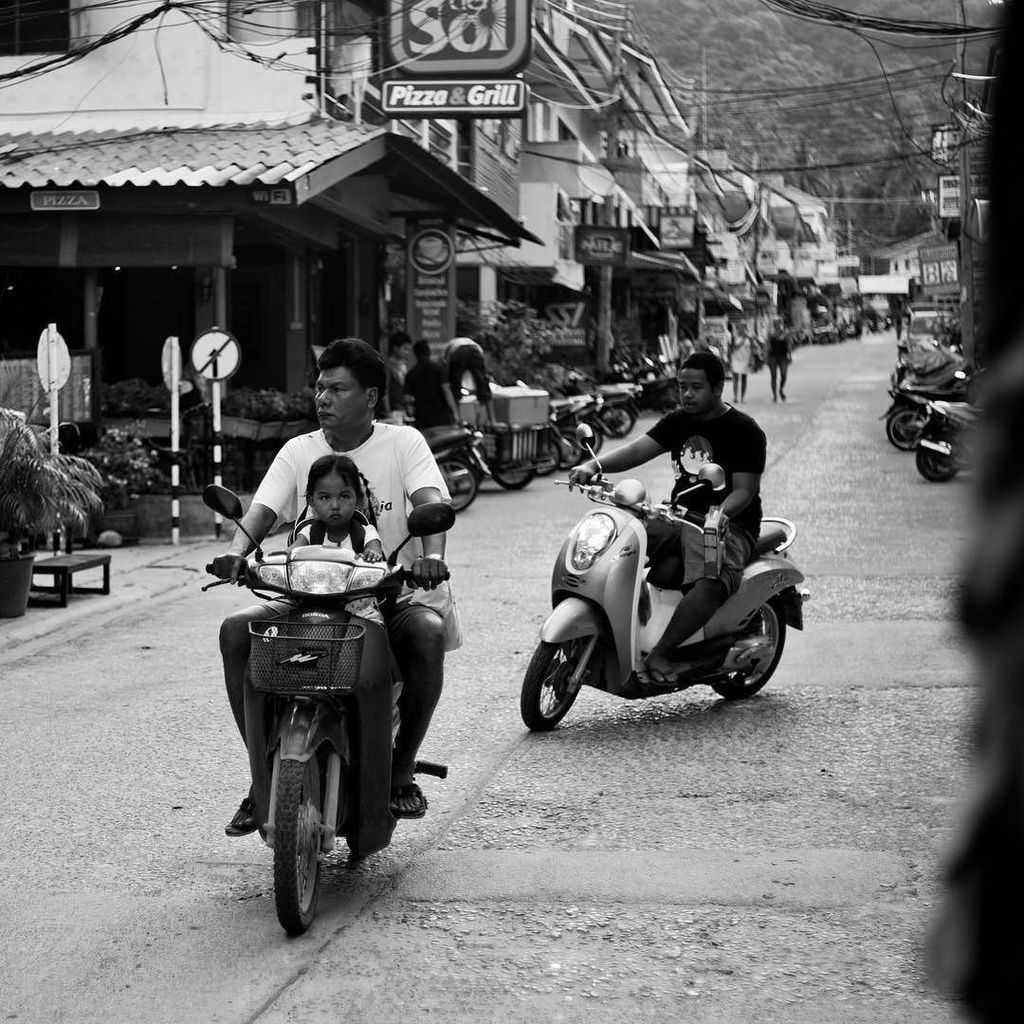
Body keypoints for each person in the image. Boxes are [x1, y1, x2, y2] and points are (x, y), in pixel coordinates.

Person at [210, 338, 453, 831]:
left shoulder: (404, 443)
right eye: (320, 388)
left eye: (337, 389)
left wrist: (431, 559)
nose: (323, 398)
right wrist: (237, 554)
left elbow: (429, 501)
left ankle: (400, 772)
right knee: (235, 631)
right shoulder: (298, 450)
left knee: (428, 632)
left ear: (370, 397)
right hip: (304, 597)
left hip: (386, 596)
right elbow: (262, 510)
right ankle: (262, 780)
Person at [569, 351, 766, 686]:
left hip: (730, 525)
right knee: (621, 539)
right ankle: (621, 623)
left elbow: (745, 490)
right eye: (682, 387)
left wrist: (720, 514)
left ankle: (662, 651)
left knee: (712, 580)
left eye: (696, 387)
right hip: (679, 515)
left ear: (718, 388)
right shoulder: (678, 421)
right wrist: (594, 465)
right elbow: (637, 450)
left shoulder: (745, 430)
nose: (687, 394)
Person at [290, 453, 386, 623]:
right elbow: (292, 553)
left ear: (358, 499)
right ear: (312, 501)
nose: (335, 506)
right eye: (325, 497)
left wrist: (372, 556)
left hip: (359, 610)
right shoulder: (309, 533)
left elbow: (374, 550)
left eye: (344, 496)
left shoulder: (366, 533)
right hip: (314, 607)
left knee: (371, 628)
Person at [404, 340, 455, 429]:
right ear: (428, 352)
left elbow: (407, 398)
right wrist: (455, 412)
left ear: (415, 354)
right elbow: (446, 391)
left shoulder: (411, 373)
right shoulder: (439, 369)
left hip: (421, 419)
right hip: (441, 417)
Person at [443, 336, 493, 424]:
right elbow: (481, 369)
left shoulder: (448, 350)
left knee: (455, 388)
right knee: (483, 386)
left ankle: (457, 418)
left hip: (458, 352)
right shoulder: (476, 346)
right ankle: (491, 420)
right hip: (475, 351)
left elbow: (447, 367)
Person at [385, 332, 413, 422]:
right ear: (395, 348)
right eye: (405, 349)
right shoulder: (388, 366)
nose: (407, 352)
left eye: (408, 349)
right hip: (394, 412)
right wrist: (388, 412)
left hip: (405, 410)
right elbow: (385, 391)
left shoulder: (404, 364)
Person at [765, 319, 793, 402]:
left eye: (778, 323)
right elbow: (767, 345)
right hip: (772, 356)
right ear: (774, 324)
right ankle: (774, 395)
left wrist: (790, 355)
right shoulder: (771, 333)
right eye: (775, 323)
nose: (777, 325)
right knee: (773, 376)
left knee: (783, 375)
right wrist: (766, 357)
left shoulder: (785, 333)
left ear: (780, 324)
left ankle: (780, 390)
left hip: (783, 356)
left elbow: (789, 344)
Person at [727, 322, 755, 403]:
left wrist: (751, 359)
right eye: (739, 327)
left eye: (743, 327)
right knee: (735, 378)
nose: (741, 329)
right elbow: (732, 348)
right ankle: (735, 397)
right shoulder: (734, 337)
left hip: (745, 359)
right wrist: (729, 360)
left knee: (744, 378)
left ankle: (742, 397)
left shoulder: (749, 337)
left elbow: (752, 350)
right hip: (736, 359)